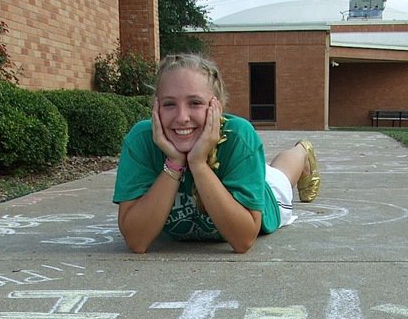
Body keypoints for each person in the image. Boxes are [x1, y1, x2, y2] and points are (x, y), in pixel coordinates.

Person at [113, 53, 320, 254]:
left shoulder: (238, 136)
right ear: (156, 108)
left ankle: (302, 152)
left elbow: (243, 241)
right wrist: (175, 163)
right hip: (232, 170)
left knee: (279, 177)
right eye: (169, 104)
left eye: (195, 103)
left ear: (216, 108)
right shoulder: (141, 140)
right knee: (267, 171)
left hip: (263, 193)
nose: (182, 117)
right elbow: (137, 241)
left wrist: (198, 164)